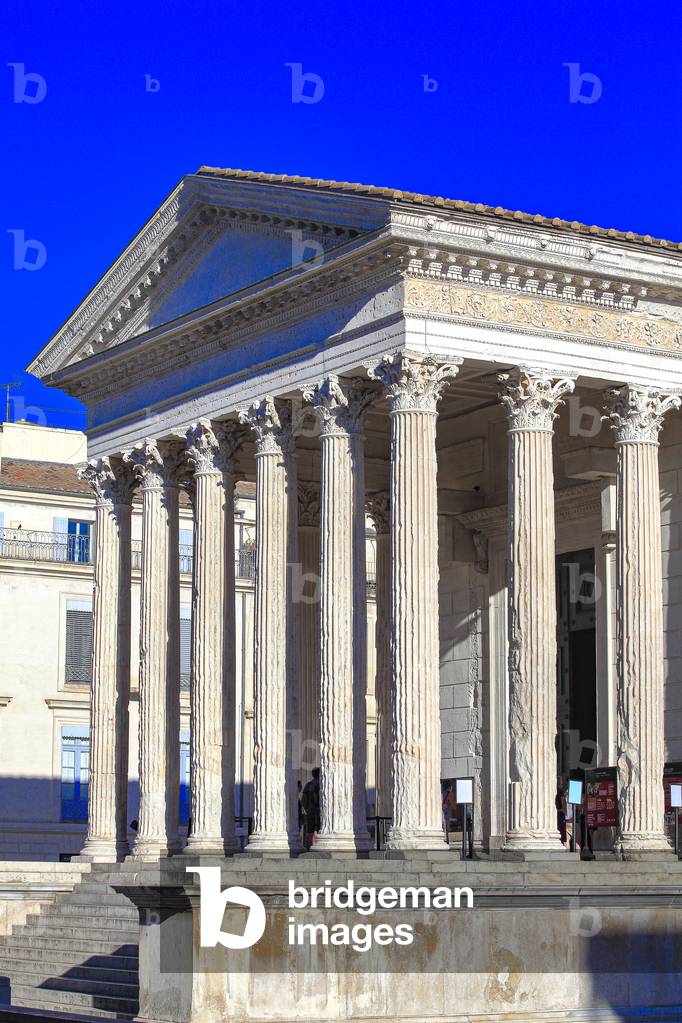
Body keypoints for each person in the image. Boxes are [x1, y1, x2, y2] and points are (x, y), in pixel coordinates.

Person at [301, 768, 320, 850]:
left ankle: (309, 847)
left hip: (310, 810)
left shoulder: (308, 785)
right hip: (318, 810)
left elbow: (303, 800)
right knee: (318, 828)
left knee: (310, 830)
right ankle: (316, 846)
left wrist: (306, 809)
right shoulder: (321, 784)